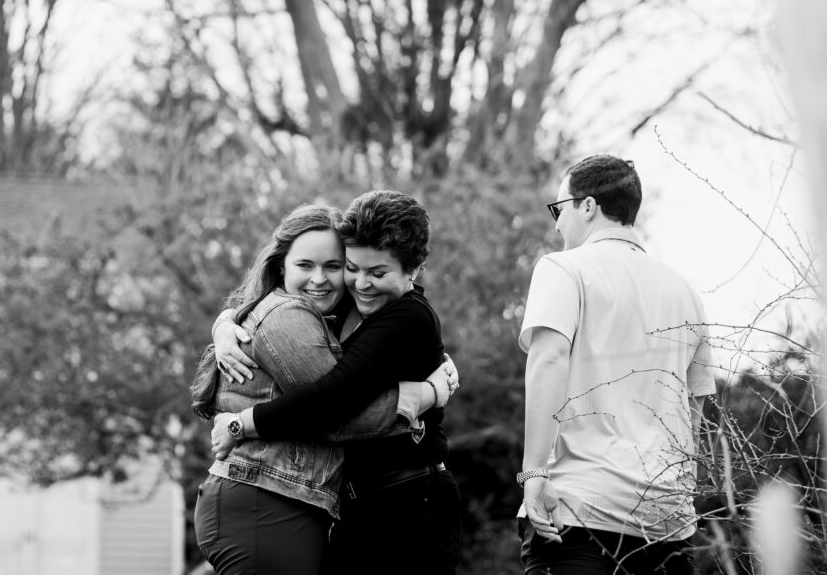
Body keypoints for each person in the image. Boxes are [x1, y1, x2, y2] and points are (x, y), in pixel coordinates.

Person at [191, 203, 456, 575]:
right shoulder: (307, 313)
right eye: (352, 268)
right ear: (280, 264)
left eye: (334, 266)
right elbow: (334, 409)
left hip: (404, 500)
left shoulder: (391, 314)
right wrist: (425, 393)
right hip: (286, 499)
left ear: (413, 270)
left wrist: (243, 422)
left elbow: (334, 400)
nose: (355, 281)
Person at [517, 155, 715, 575]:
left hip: (579, 511)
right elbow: (695, 404)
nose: (556, 224)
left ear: (587, 206)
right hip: (669, 523)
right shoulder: (685, 291)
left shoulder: (562, 269)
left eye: (559, 209)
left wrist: (532, 473)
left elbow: (548, 360)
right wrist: (680, 491)